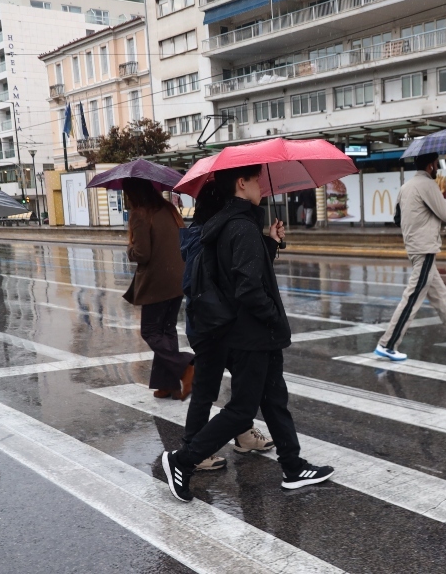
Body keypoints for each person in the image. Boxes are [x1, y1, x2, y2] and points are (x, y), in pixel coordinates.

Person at [161, 165, 333, 502]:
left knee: (274, 401)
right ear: (242, 183)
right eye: (257, 180)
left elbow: (234, 274)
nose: (262, 187)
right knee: (242, 410)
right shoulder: (242, 227)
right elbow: (248, 289)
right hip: (254, 334)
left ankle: (293, 466)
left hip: (246, 333)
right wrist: (274, 319)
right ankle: (182, 460)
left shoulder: (228, 223)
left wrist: (269, 244)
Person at [179, 180, 274, 472]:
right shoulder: (205, 237)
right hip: (211, 325)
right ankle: (193, 448)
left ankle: (243, 435)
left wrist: (268, 242)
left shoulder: (212, 232)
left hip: (223, 323)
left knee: (242, 380)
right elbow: (223, 280)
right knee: (206, 387)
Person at [374, 152, 446, 362]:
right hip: (425, 248)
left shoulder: (406, 187)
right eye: (436, 164)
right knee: (412, 298)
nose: (437, 168)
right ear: (431, 166)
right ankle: (387, 344)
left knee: (440, 295)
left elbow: (397, 218)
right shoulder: (427, 185)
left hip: (414, 246)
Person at [123, 178, 195, 400]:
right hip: (177, 280)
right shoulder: (167, 209)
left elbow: (142, 253)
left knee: (151, 331)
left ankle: (185, 366)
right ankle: (168, 385)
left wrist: (130, 250)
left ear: (133, 194)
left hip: (157, 283)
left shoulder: (140, 214)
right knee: (167, 331)